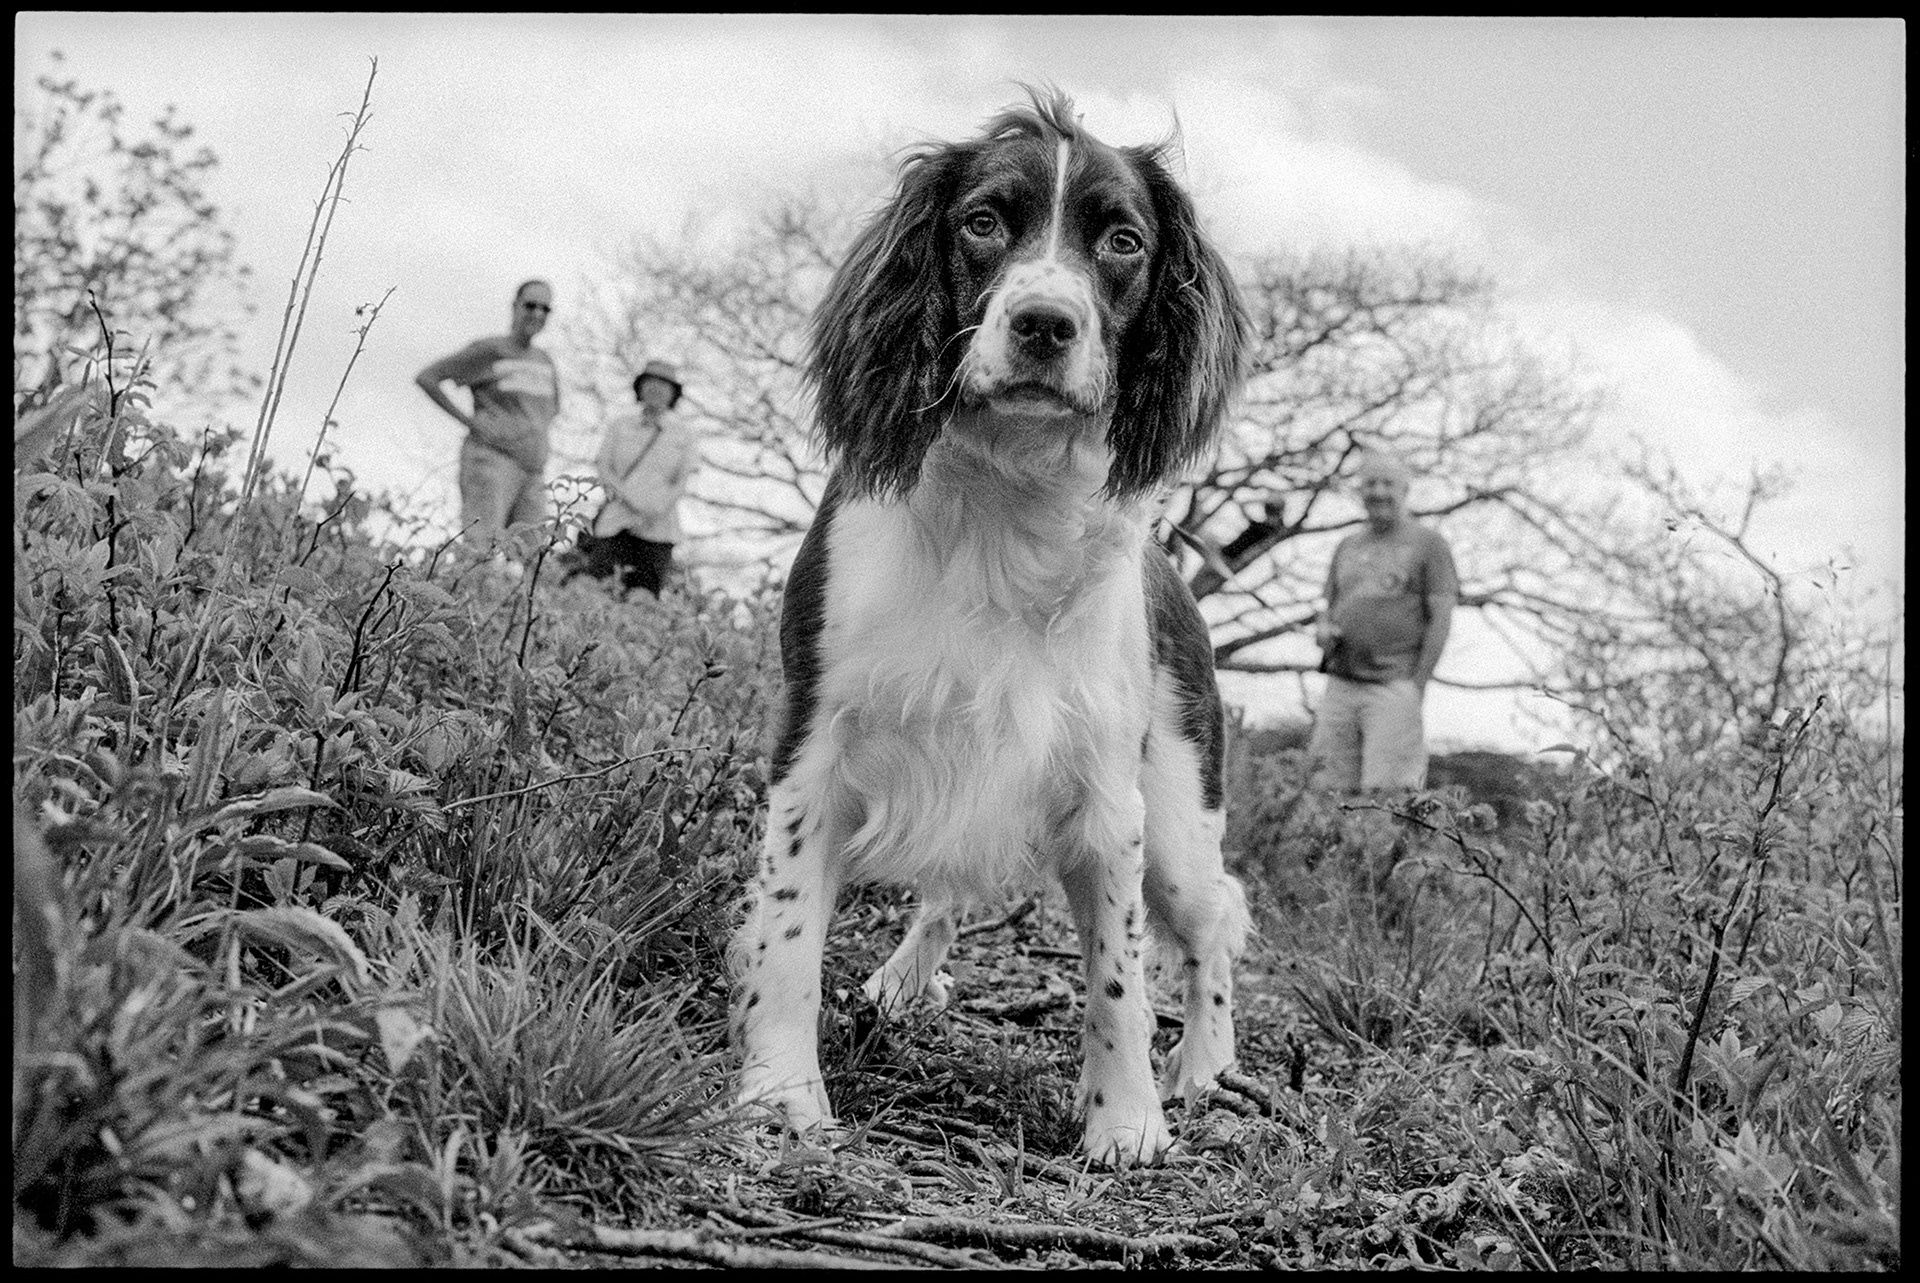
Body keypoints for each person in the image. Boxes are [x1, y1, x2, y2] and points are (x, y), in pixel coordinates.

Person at [1308, 450, 1458, 793]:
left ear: (1405, 490)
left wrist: (1417, 684)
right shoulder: (1347, 545)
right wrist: (1323, 628)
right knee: (1324, 788)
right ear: (1360, 491)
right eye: (1370, 483)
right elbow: (1325, 604)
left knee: (1388, 792)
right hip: (1340, 684)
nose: (1378, 492)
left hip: (1394, 684)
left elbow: (1441, 618)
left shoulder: (1429, 544)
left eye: (1387, 484)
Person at [414, 279, 560, 546]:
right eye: (530, 305)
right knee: (483, 547)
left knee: (534, 553)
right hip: (493, 461)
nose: (537, 313)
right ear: (515, 306)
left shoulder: (545, 360)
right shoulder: (491, 350)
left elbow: (552, 410)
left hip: (534, 471)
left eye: (545, 308)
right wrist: (470, 422)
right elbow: (428, 378)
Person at [565, 359, 699, 597]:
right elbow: (604, 467)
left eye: (663, 384)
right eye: (651, 382)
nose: (656, 389)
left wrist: (654, 510)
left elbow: (681, 482)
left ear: (673, 393)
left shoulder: (684, 435)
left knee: (643, 596)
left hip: (658, 527)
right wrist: (629, 502)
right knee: (597, 588)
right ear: (640, 387)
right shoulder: (620, 426)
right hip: (615, 522)